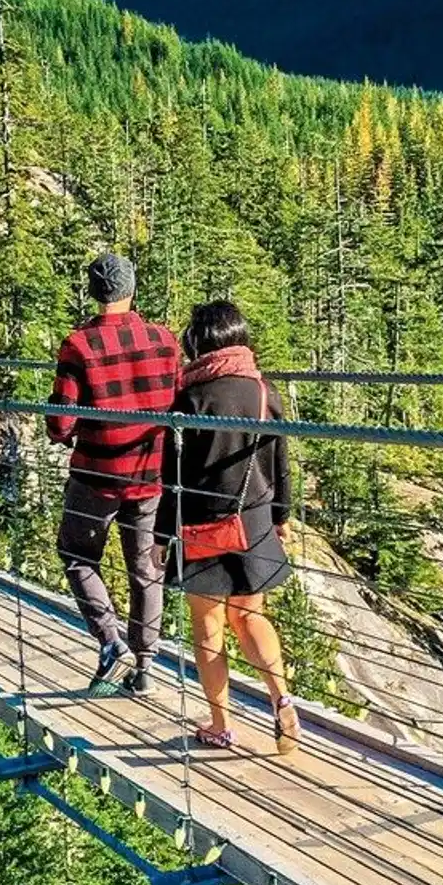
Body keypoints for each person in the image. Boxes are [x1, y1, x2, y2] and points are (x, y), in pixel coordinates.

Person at [159, 300, 299, 755]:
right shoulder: (264, 391)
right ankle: (282, 700)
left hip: (204, 524)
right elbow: (279, 464)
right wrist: (280, 519)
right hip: (255, 520)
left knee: (208, 626)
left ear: (199, 343)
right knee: (250, 614)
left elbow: (171, 479)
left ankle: (221, 725)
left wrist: (163, 535)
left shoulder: (191, 399)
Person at [47, 252, 180, 697]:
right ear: (132, 288)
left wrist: (67, 433)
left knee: (78, 555)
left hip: (96, 474)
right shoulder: (164, 340)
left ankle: (110, 641)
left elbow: (61, 422)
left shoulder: (78, 345)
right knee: (145, 569)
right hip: (149, 473)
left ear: (92, 290)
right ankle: (144, 666)